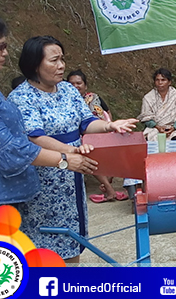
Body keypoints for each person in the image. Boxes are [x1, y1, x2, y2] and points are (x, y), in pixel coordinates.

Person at [0, 12, 97, 229]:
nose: (5, 53)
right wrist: (65, 159)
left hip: (1, 195)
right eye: (0, 46)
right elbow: (8, 147)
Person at [9, 35, 137, 263]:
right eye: (54, 60)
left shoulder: (68, 90)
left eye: (62, 59)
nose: (61, 66)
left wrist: (110, 125)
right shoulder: (22, 97)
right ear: (34, 64)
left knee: (72, 239)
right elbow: (35, 137)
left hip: (73, 174)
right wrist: (70, 150)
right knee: (44, 245)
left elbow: (86, 122)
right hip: (44, 176)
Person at [67, 69, 127, 203]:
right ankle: (109, 188)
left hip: (103, 131)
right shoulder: (65, 102)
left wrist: (108, 126)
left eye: (79, 83)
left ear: (85, 85)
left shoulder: (94, 97)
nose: (76, 86)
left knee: (122, 148)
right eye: (71, 84)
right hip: (82, 137)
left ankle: (110, 181)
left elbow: (107, 112)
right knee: (89, 153)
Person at [137, 68, 176, 142]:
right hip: (154, 128)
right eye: (157, 80)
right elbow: (146, 117)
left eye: (163, 80)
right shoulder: (148, 97)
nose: (160, 82)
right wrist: (157, 127)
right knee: (150, 138)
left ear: (169, 82)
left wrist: (173, 127)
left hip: (172, 129)